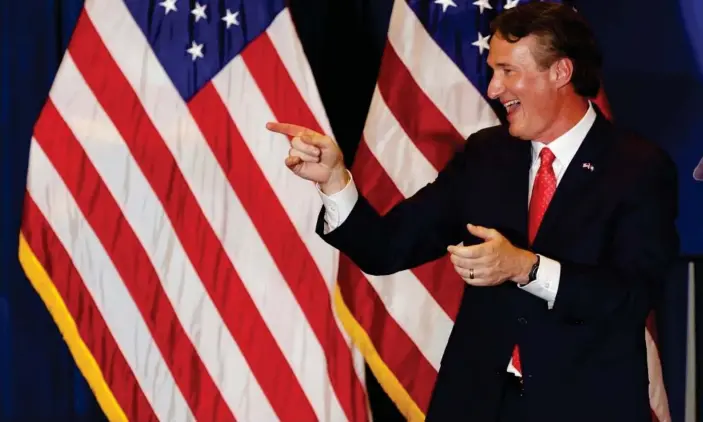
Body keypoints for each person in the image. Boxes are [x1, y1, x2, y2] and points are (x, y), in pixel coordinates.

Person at [267, 3, 679, 421]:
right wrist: (335, 180)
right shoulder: (487, 155)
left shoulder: (637, 167)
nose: (494, 89)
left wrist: (527, 268)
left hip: (582, 407)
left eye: (508, 71)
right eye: (493, 71)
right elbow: (386, 247)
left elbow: (631, 294)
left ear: (560, 73)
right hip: (475, 404)